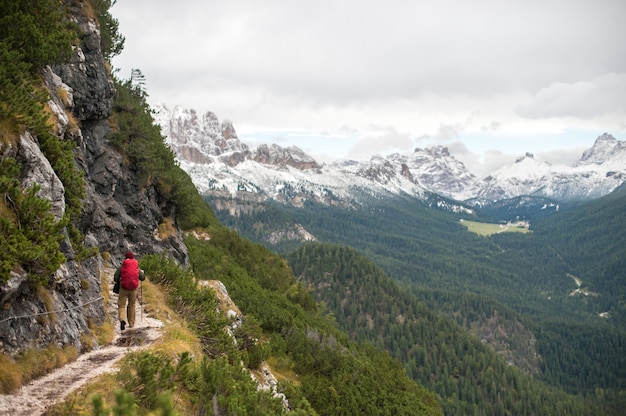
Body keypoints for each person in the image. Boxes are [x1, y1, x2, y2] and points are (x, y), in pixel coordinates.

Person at [114, 251, 145, 330]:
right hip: (133, 289)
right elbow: (142, 278)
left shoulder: (122, 267)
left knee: (122, 305)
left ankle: (122, 319)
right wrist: (141, 272)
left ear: (125, 257)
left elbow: (115, 278)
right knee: (132, 305)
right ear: (133, 257)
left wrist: (120, 280)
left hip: (123, 288)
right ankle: (131, 323)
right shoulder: (136, 267)